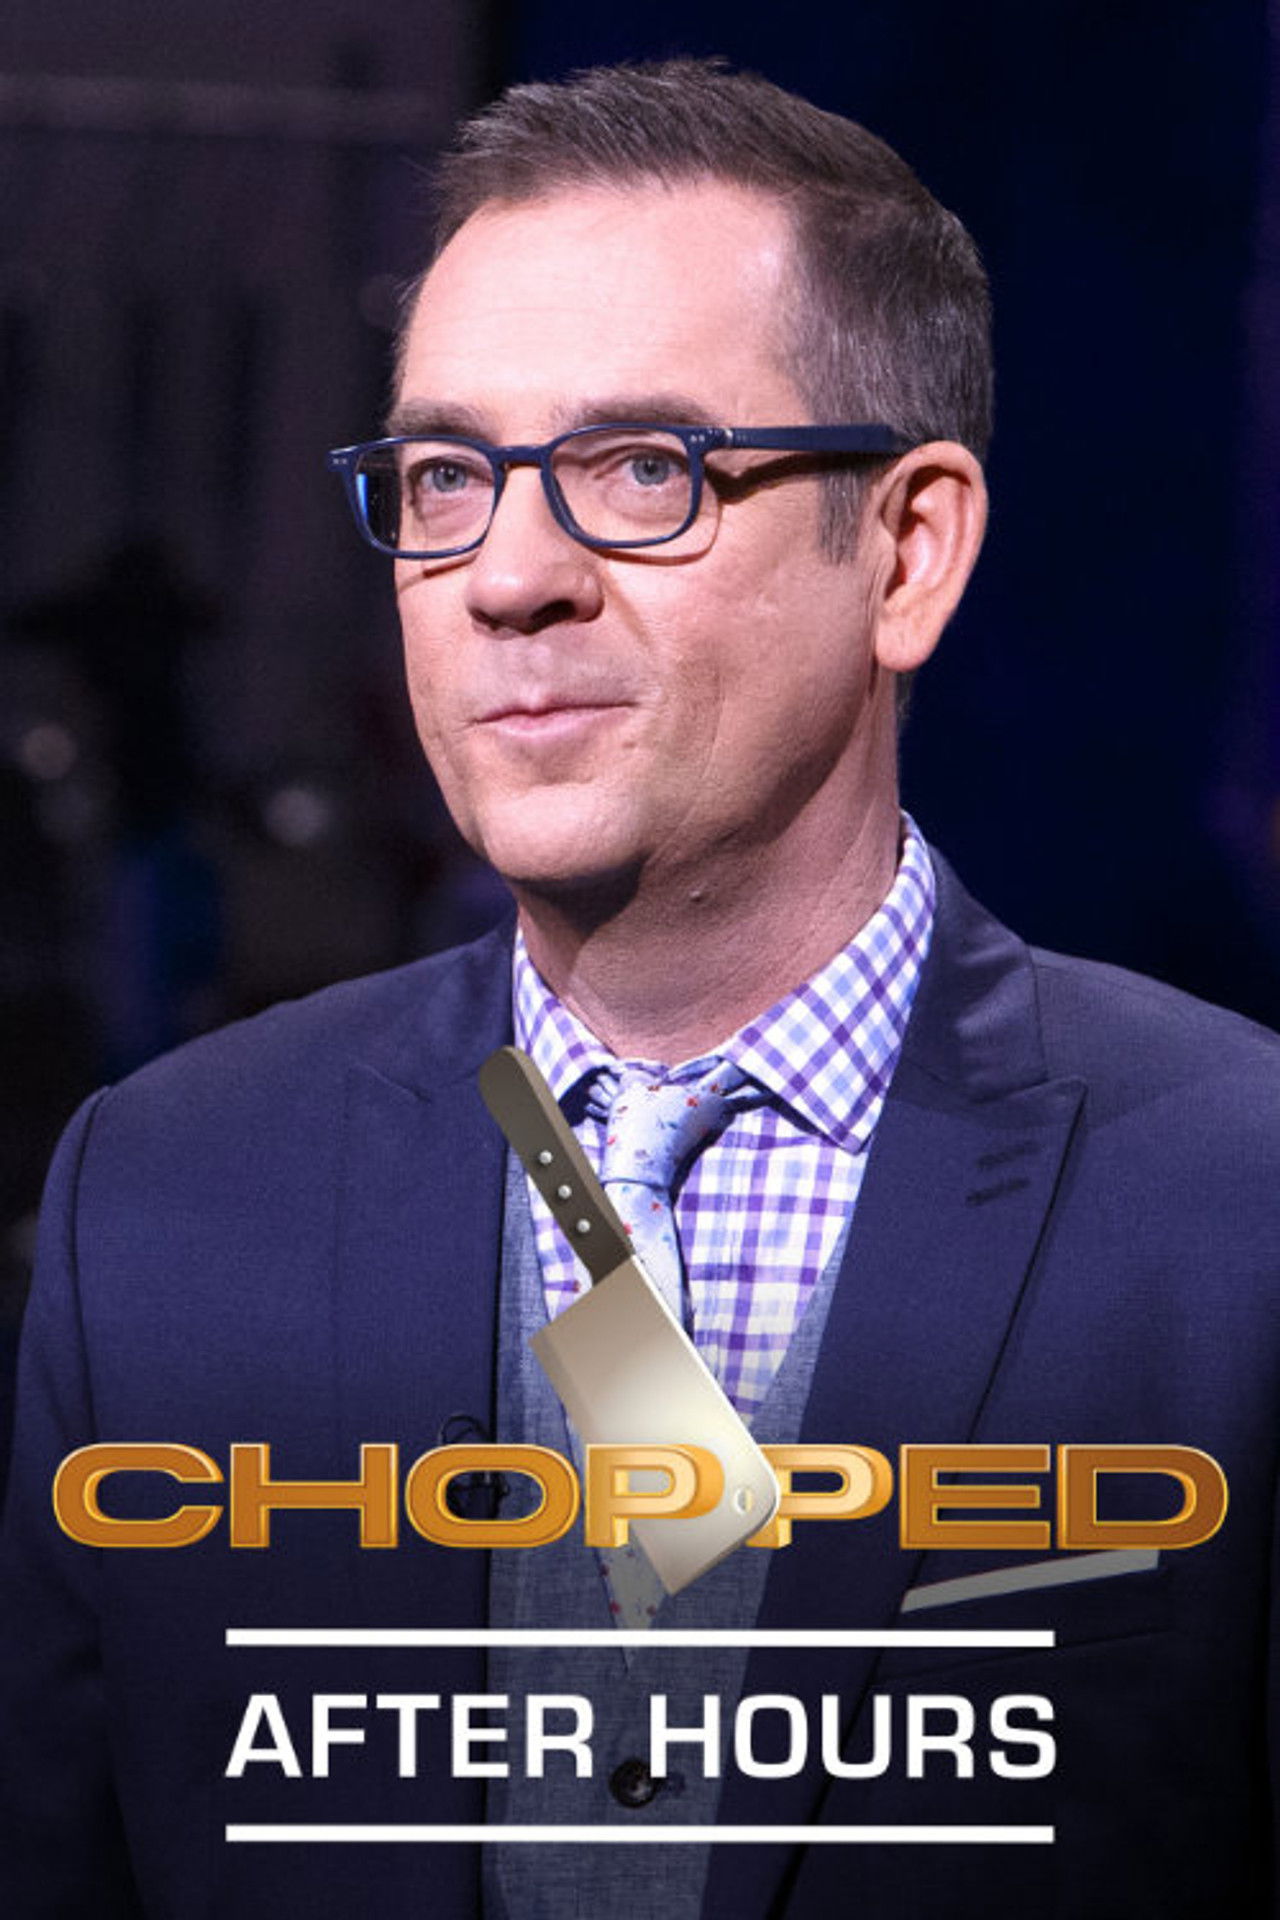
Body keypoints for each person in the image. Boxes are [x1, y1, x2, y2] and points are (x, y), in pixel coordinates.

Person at [1, 57, 1276, 1920]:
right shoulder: (167, 1197)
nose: (507, 576)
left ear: (907, 551)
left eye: (639, 471)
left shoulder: (1235, 1209)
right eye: (449, 476)